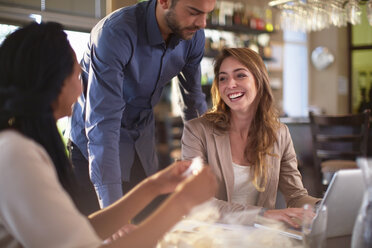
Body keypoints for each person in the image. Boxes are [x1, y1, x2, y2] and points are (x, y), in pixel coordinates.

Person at [0, 22, 217, 247]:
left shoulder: (19, 145)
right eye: (78, 76)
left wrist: (154, 186)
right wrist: (182, 202)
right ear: (53, 82)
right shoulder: (16, 155)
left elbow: (80, 230)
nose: (81, 89)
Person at [68, 0, 216, 213]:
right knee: (101, 236)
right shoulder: (114, 33)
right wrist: (113, 215)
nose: (202, 23)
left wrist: (206, 161)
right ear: (164, 2)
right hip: (94, 148)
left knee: (145, 227)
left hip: (141, 144)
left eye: (207, 14)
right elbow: (103, 125)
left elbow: (193, 102)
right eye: (194, 12)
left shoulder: (193, 36)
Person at [181, 48, 321, 228]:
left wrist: (321, 207)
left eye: (240, 75)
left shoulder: (280, 134)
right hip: (209, 236)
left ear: (259, 80)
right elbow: (197, 201)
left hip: (258, 239)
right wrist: (263, 215)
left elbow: (295, 196)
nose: (230, 84)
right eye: (223, 78)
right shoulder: (197, 131)